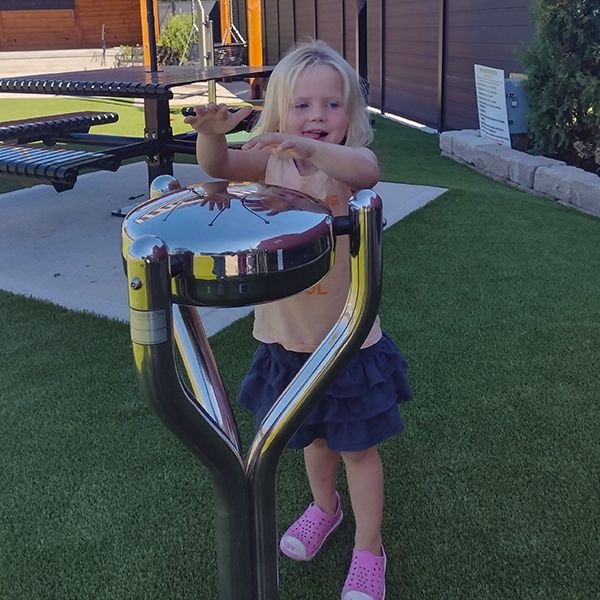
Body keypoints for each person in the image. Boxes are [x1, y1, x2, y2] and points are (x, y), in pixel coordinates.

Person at [184, 39, 412, 600]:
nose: (317, 117)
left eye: (332, 105)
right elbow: (218, 165)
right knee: (312, 440)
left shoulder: (345, 167)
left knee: (357, 449)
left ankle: (368, 549)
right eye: (303, 106)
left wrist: (311, 152)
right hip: (287, 341)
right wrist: (212, 133)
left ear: (350, 114)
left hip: (347, 343)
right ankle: (323, 509)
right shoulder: (269, 161)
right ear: (280, 112)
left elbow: (370, 169)